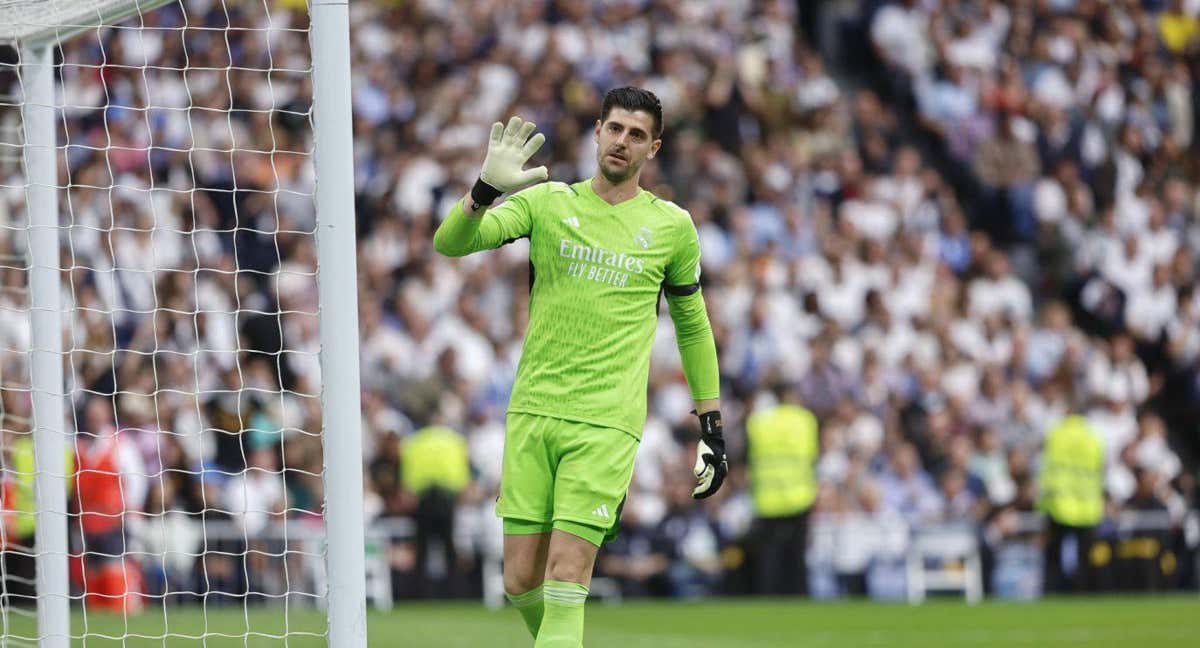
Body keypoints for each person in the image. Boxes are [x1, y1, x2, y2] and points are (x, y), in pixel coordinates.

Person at [434, 86, 725, 647]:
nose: (623, 142)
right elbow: (452, 243)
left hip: (605, 422)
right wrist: (483, 190)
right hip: (533, 411)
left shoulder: (671, 227)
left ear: (654, 148)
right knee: (520, 581)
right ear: (597, 131)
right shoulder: (547, 203)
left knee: (566, 575)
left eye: (637, 135)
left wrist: (711, 427)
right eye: (615, 129)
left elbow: (693, 327)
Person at [744, 384, 819, 595]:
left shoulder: (758, 422)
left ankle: (768, 596)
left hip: (767, 498)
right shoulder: (805, 420)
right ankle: (799, 594)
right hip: (799, 496)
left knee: (769, 557)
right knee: (796, 554)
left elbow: (749, 457)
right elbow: (812, 456)